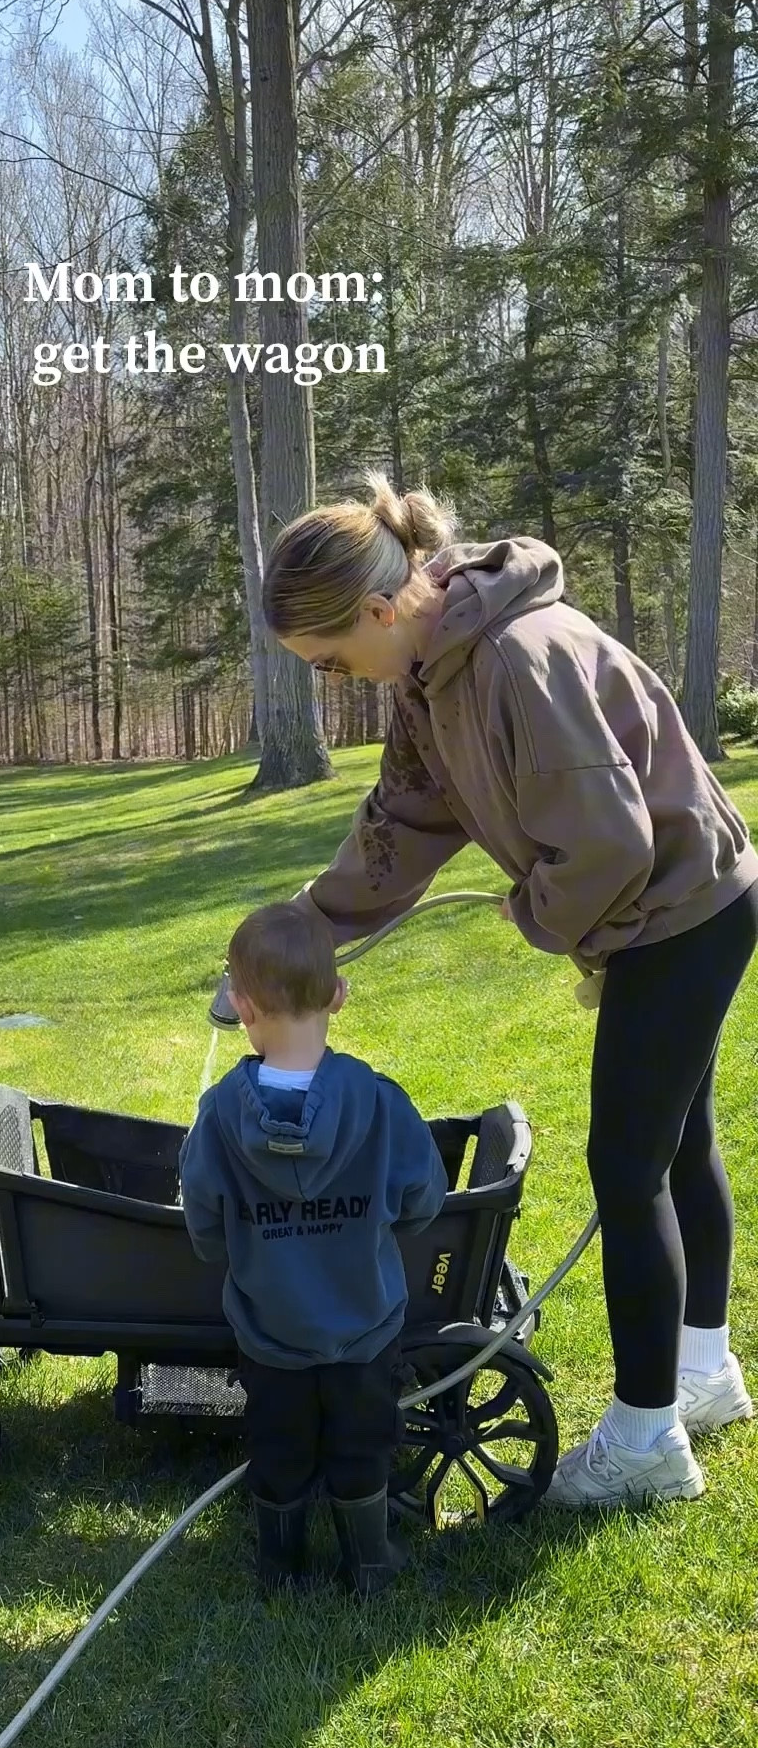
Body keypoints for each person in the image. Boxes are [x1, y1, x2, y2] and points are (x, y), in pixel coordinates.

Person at [257, 469, 758, 1510]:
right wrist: (302, 934)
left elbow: (609, 846)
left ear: (379, 609)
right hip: (668, 910)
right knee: (680, 1144)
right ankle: (704, 1373)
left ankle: (645, 1440)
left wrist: (543, 918)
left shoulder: (518, 661)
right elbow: (401, 825)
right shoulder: (430, 676)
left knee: (628, 1165)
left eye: (333, 658)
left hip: (688, 910)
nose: (341, 679)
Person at [179, 902, 447, 1596]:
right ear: (338, 994)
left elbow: (204, 1221)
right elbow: (423, 1195)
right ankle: (370, 1562)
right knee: (364, 1444)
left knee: (279, 1446)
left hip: (271, 1333)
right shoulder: (382, 1103)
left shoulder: (218, 1117)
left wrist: (228, 1247)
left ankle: (282, 1568)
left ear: (240, 1006)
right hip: (365, 1325)